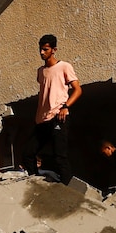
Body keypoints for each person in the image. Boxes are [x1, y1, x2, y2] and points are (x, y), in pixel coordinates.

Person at [22, 34, 82, 185]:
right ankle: (36, 183)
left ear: (54, 50)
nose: (42, 52)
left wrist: (65, 106)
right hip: (41, 119)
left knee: (59, 155)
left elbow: (77, 90)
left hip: (58, 116)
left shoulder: (64, 66)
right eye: (40, 49)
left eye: (45, 49)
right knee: (28, 153)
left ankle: (68, 189)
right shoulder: (40, 71)